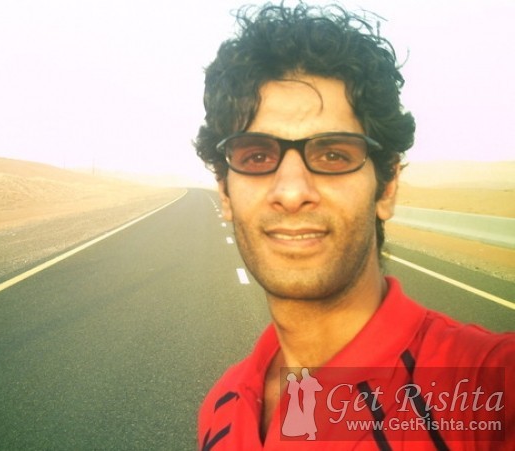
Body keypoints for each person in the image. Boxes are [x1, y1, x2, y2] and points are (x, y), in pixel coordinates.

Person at [193, 3, 514, 450]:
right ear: (225, 194)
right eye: (257, 156)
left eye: (333, 155)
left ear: (386, 187)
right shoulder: (221, 405)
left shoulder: (487, 390)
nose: (291, 191)